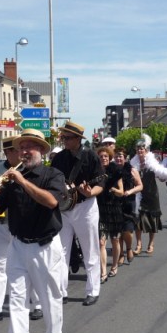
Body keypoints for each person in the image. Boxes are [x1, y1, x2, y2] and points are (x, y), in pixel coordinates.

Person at [0, 128, 65, 333]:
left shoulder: (53, 174)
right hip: (18, 244)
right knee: (17, 299)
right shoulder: (12, 178)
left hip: (45, 245)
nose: (24, 151)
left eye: (29, 147)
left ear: (41, 149)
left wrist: (21, 181)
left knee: (50, 297)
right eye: (21, 148)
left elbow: (51, 201)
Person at [0, 138, 43, 323]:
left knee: (30, 266)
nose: (11, 155)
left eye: (13, 151)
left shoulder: (30, 168)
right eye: (8, 152)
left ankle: (37, 304)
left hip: (23, 225)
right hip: (0, 224)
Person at [51, 121, 105, 306]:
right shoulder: (58, 158)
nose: (63, 140)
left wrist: (90, 192)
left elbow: (100, 183)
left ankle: (93, 290)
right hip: (64, 209)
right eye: (63, 137)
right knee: (61, 251)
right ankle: (60, 291)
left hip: (85, 207)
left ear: (77, 139)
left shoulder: (90, 157)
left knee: (90, 249)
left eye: (66, 138)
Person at [96, 147, 124, 282]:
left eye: (106, 156)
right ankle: (103, 272)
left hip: (114, 209)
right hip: (100, 209)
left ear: (110, 157)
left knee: (115, 239)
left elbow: (121, 192)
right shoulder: (95, 172)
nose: (104, 158)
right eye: (101, 156)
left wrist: (113, 189)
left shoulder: (116, 171)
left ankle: (114, 265)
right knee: (101, 242)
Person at [113, 148, 143, 264]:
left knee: (128, 231)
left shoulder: (132, 170)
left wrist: (130, 191)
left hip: (128, 203)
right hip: (115, 203)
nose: (118, 158)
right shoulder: (112, 170)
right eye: (116, 156)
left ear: (125, 158)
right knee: (118, 231)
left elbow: (140, 186)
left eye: (120, 156)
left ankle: (129, 248)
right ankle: (121, 254)